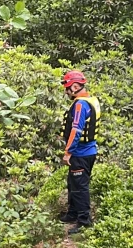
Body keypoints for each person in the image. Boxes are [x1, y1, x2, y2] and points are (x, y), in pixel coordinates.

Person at [60, 70, 100, 236]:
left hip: (81, 153)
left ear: (75, 86)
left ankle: (84, 222)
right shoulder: (91, 100)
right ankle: (72, 214)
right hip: (88, 151)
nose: (66, 92)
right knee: (73, 184)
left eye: (67, 88)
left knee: (80, 187)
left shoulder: (80, 104)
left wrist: (67, 152)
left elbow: (76, 130)